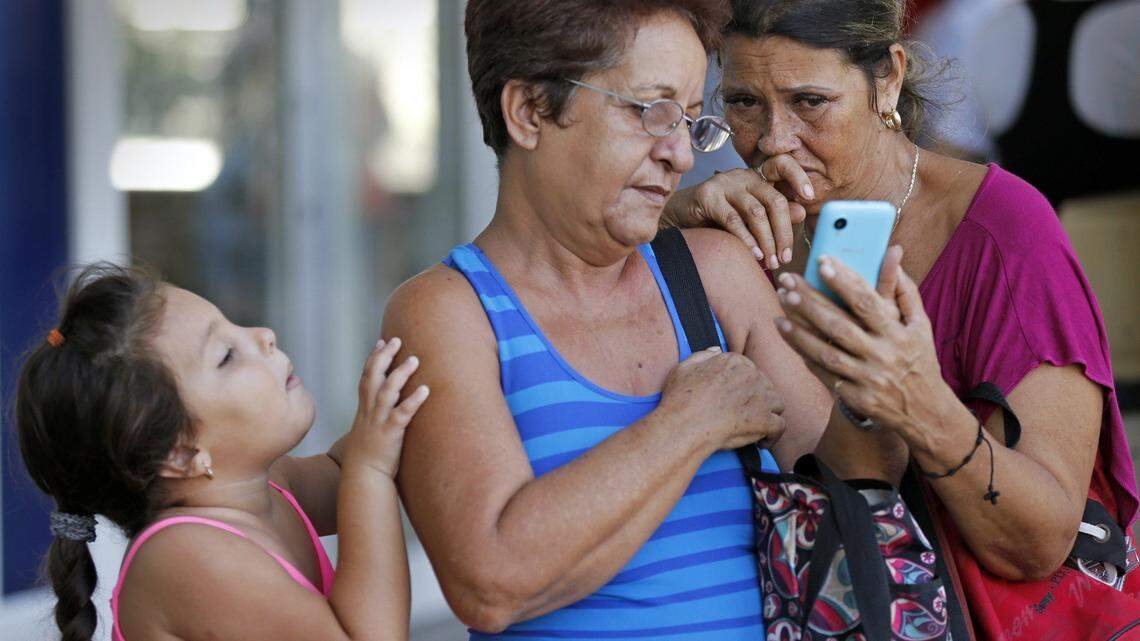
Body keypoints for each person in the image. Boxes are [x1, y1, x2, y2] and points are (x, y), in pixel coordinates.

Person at [664, 0, 1140, 637]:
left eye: (810, 101)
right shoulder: (732, 225)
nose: (773, 141)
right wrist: (673, 211)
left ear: (886, 78)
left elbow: (1040, 542)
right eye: (745, 103)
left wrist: (918, 401)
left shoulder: (1001, 232)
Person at [382, 0, 831, 638]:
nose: (680, 154)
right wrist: (689, 422)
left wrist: (876, 355)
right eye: (652, 111)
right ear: (530, 111)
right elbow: (490, 582)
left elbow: (853, 483)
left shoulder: (711, 274)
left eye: (694, 121)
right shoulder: (448, 313)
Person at [15, 263, 425, 641]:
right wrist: (370, 467)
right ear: (178, 454)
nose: (264, 333)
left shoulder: (270, 487)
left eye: (235, 324)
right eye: (226, 355)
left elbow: (350, 471)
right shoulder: (185, 556)